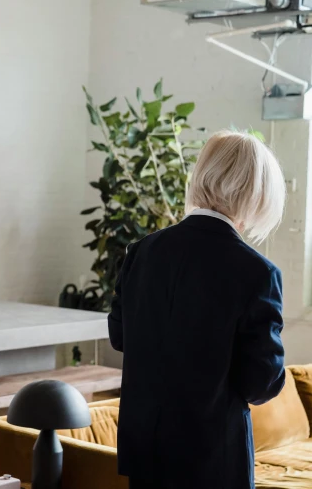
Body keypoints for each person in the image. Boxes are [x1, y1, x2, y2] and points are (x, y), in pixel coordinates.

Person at [109, 130, 287, 489]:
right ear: (257, 193)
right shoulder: (257, 272)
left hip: (144, 446)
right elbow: (260, 382)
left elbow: (120, 335)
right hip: (212, 456)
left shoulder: (142, 251)